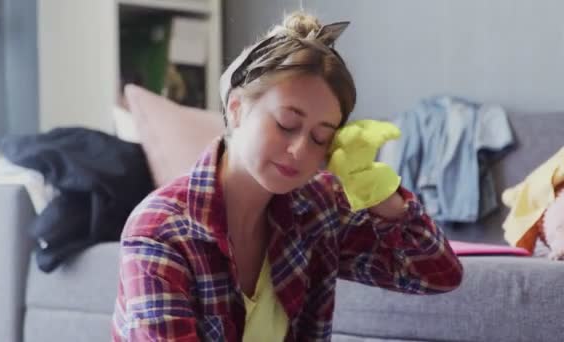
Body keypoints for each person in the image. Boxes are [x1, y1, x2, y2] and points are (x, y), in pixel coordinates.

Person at [111, 11, 463, 342]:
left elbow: (437, 274)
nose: (299, 151)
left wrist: (379, 194)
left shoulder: (317, 204)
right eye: (286, 124)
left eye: (320, 137)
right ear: (236, 109)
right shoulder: (161, 231)